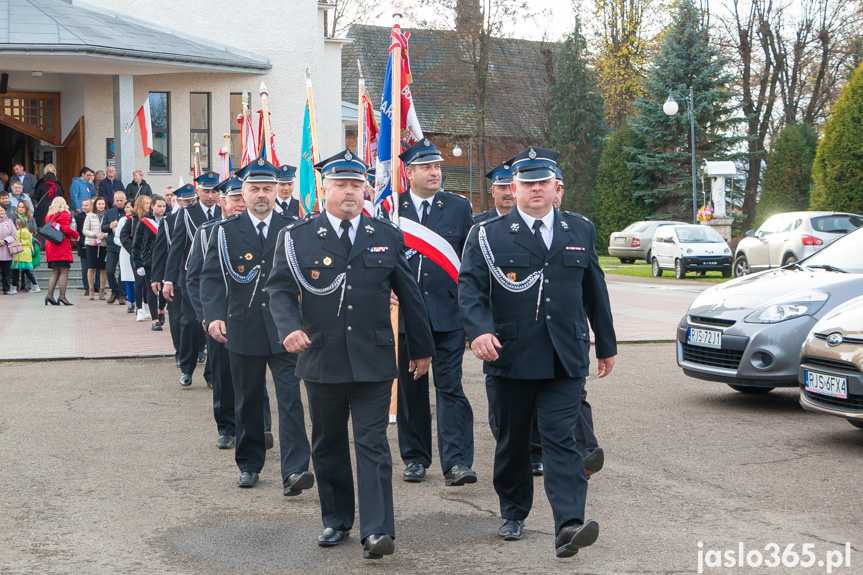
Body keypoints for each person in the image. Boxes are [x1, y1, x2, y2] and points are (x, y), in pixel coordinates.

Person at [266, 150, 434, 559]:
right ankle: (337, 520)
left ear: (366, 189)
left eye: (356, 185)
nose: (349, 192)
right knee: (327, 443)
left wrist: (422, 349)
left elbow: (410, 295)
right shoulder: (297, 237)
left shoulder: (386, 235)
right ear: (324, 189)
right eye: (341, 184)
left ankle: (377, 530)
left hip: (374, 359)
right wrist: (289, 329)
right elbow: (279, 289)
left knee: (373, 442)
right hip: (321, 357)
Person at [458, 146, 617, 556]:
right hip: (509, 355)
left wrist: (607, 343)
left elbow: (593, 290)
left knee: (561, 438)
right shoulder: (488, 234)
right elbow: (471, 288)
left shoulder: (579, 230)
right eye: (527, 184)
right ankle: (513, 511)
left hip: (565, 355)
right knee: (512, 440)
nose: (535, 190)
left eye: (543, 183)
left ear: (555, 187)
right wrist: (477, 332)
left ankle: (569, 524)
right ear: (514, 187)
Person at [200, 157, 311, 491]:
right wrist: (214, 314)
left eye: (268, 188)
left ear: (277, 191)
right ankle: (249, 463)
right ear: (242, 193)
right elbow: (212, 279)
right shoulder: (224, 232)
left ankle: (294, 470)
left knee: (290, 399)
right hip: (242, 326)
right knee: (247, 398)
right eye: (255, 189)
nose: (262, 194)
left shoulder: (294, 227)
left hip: (286, 329)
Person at [393, 138, 477, 487]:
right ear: (408, 172)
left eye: (438, 166)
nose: (435, 172)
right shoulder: (391, 207)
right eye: (427, 167)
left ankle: (457, 462)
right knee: (411, 391)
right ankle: (415, 458)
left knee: (450, 387)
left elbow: (470, 263)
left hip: (447, 314)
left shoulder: (458, 208)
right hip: (407, 319)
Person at [163, 176, 221, 386]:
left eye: (215, 191)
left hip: (215, 279)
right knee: (190, 324)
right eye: (207, 191)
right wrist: (168, 279)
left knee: (214, 324)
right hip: (191, 278)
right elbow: (177, 247)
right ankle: (187, 368)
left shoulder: (222, 213)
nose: (211, 196)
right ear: (199, 192)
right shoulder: (187, 213)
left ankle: (211, 373)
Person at [151, 188, 197, 366]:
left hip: (195, 277)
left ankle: (199, 349)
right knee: (178, 317)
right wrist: (157, 277)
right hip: (176, 276)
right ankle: (180, 351)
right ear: (178, 202)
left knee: (196, 317)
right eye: (186, 202)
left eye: (192, 201)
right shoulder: (168, 221)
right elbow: (161, 251)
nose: (189, 205)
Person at [133, 195, 166, 330]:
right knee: (151, 289)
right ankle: (155, 320)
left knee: (165, 289)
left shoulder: (168, 220)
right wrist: (138, 264)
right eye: (159, 206)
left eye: (164, 206)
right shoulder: (144, 222)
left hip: (165, 261)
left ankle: (161, 310)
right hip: (149, 261)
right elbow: (136, 245)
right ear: (152, 206)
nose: (162, 209)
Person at [43, 197, 79, 305]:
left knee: (55, 271)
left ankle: (49, 295)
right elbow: (66, 229)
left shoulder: (49, 215)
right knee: (64, 271)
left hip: (51, 245)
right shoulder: (63, 214)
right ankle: (62, 296)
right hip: (61, 245)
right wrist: (76, 234)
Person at [121, 196, 151, 320]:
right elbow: (124, 237)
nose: (149, 205)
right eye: (147, 203)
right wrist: (133, 249)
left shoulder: (152, 218)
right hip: (137, 256)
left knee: (148, 282)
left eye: (150, 203)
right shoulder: (132, 220)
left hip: (149, 256)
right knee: (139, 282)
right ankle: (139, 309)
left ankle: (147, 305)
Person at [101, 190, 127, 305]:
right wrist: (109, 226)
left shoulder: (128, 212)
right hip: (112, 245)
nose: (120, 203)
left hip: (124, 246)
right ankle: (114, 291)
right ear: (114, 200)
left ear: (125, 200)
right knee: (109, 270)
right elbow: (103, 228)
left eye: (121, 200)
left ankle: (122, 294)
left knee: (123, 271)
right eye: (117, 200)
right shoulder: (109, 212)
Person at [83, 197, 109, 300]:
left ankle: (101, 290)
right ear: (95, 205)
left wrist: (104, 235)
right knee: (91, 267)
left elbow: (112, 229)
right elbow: (85, 230)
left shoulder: (108, 215)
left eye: (103, 204)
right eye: (99, 204)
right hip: (91, 244)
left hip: (103, 244)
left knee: (103, 268)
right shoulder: (90, 216)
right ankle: (91, 290)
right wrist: (95, 234)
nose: (101, 206)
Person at [116, 200, 137, 312]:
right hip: (125, 252)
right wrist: (127, 245)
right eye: (125, 207)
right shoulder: (122, 220)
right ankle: (131, 302)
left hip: (137, 252)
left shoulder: (139, 219)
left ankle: (140, 302)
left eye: (128, 207)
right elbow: (117, 237)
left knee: (137, 279)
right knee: (128, 278)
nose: (126, 209)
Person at [75, 198, 99, 296]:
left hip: (96, 244)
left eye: (86, 205)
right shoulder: (78, 217)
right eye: (83, 205)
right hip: (83, 244)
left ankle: (97, 286)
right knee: (85, 267)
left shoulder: (96, 216)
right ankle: (87, 287)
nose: (84, 207)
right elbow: (78, 231)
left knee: (98, 267)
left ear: (91, 206)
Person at [11, 218, 38, 293]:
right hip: (27, 253)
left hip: (19, 253)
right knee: (27, 271)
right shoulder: (28, 233)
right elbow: (30, 242)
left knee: (15, 271)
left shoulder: (17, 233)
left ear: (18, 225)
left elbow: (15, 241)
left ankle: (13, 288)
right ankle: (35, 286)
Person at [0, 204, 16, 294]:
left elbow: (14, 235)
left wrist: (5, 241)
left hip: (6, 250)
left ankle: (6, 289)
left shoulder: (9, 221)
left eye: (2, 210)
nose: (1, 212)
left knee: (6, 272)